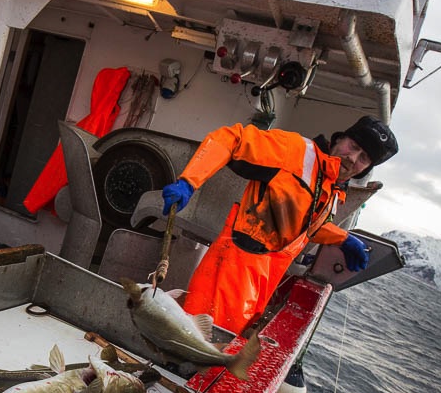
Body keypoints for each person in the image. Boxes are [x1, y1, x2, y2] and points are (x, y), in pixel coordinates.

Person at [159, 115, 399, 334]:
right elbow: (231, 139)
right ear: (341, 138)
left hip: (262, 281)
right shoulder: (296, 150)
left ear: (366, 168)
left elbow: (309, 226)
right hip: (233, 267)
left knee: (217, 344)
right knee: (195, 338)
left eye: (363, 158)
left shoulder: (333, 188)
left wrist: (343, 239)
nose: (352, 158)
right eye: (354, 146)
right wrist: (189, 181)